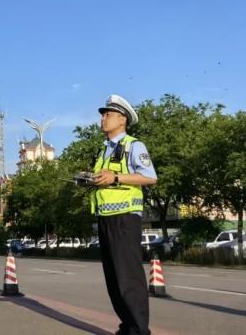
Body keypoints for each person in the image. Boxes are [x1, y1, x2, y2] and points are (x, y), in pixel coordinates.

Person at [92, 94, 157, 335]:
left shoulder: (133, 145)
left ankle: (139, 330)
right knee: (113, 278)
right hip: (105, 217)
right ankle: (127, 326)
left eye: (107, 114)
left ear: (122, 119)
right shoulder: (104, 150)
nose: (103, 118)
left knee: (128, 277)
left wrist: (116, 177)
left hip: (125, 218)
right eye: (103, 115)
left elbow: (150, 177)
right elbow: (105, 180)